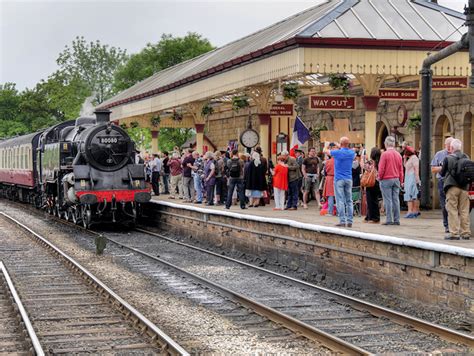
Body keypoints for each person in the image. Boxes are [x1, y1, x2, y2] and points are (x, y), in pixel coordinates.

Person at [440, 139, 471, 240]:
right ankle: (465, 232)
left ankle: (454, 233)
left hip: (452, 187)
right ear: (460, 147)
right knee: (464, 210)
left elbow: (442, 173)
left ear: (452, 148)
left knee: (452, 209)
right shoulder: (467, 157)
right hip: (464, 187)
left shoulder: (448, 158)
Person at [326, 137, 355, 227]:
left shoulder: (337, 152)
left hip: (339, 179)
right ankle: (350, 221)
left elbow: (325, 151)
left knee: (340, 200)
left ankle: (342, 221)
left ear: (340, 144)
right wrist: (341, 145)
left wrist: (327, 144)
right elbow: (346, 148)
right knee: (349, 200)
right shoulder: (351, 153)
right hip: (349, 178)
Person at [378, 136, 404, 226]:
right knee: (396, 199)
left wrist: (379, 177)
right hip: (396, 179)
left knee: (388, 200)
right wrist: (401, 180)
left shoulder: (384, 154)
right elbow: (401, 169)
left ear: (386, 144)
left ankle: (389, 219)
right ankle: (397, 219)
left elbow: (381, 168)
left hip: (386, 179)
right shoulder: (398, 155)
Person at [431, 137, 454, 233]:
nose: (449, 148)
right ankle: (446, 225)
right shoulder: (439, 154)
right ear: (445, 145)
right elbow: (433, 169)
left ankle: (454, 225)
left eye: (451, 146)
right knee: (444, 204)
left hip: (453, 182)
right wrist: (443, 168)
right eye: (447, 146)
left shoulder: (456, 155)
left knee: (453, 204)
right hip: (442, 181)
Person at [364, 147, 381, 224]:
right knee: (374, 200)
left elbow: (365, 167)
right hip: (377, 182)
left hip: (370, 182)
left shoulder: (371, 162)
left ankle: (374, 218)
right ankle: (370, 217)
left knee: (370, 200)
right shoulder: (380, 162)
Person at [403, 146, 420, 218]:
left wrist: (417, 180)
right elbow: (405, 166)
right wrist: (404, 159)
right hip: (408, 177)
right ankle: (413, 211)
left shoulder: (414, 158)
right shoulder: (410, 158)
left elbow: (416, 169)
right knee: (411, 194)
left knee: (411, 194)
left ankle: (411, 211)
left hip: (412, 178)